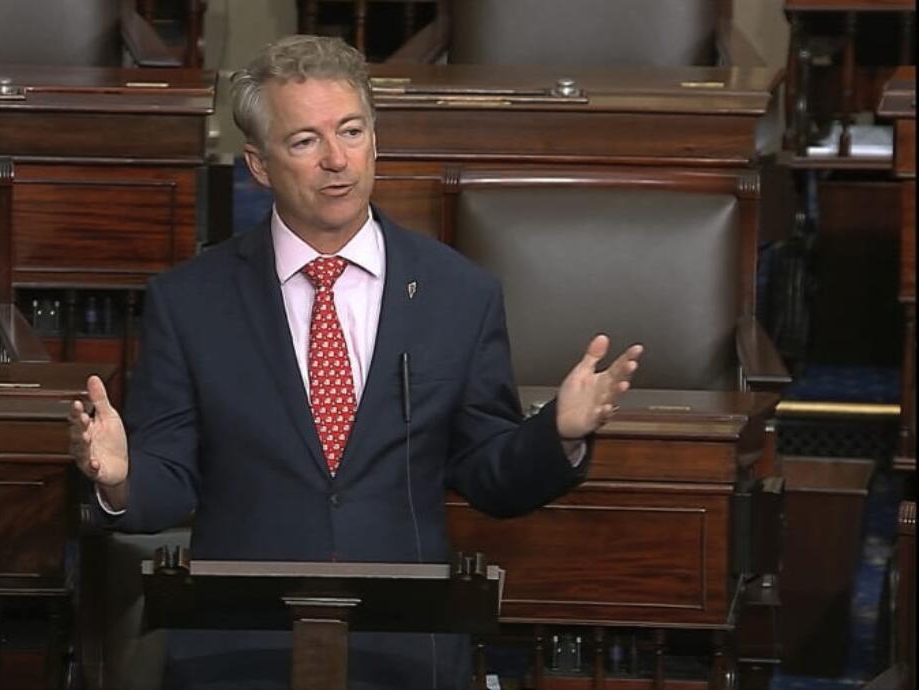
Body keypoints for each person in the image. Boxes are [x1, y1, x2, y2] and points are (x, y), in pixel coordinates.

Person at [70, 34, 643, 690]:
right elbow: (168, 477)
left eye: (351, 131)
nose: (337, 161)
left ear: (376, 139)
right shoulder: (190, 301)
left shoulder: (459, 293)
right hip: (239, 651)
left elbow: (490, 474)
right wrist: (119, 477)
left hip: (404, 648)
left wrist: (559, 435)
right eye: (305, 141)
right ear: (258, 164)